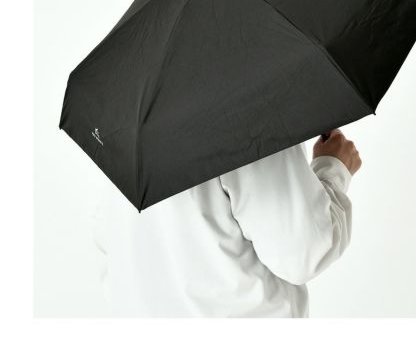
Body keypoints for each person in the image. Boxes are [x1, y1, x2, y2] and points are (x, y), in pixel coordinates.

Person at [92, 128, 362, 317]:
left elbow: (112, 258)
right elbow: (303, 252)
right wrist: (333, 169)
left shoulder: (121, 136)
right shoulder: (251, 115)